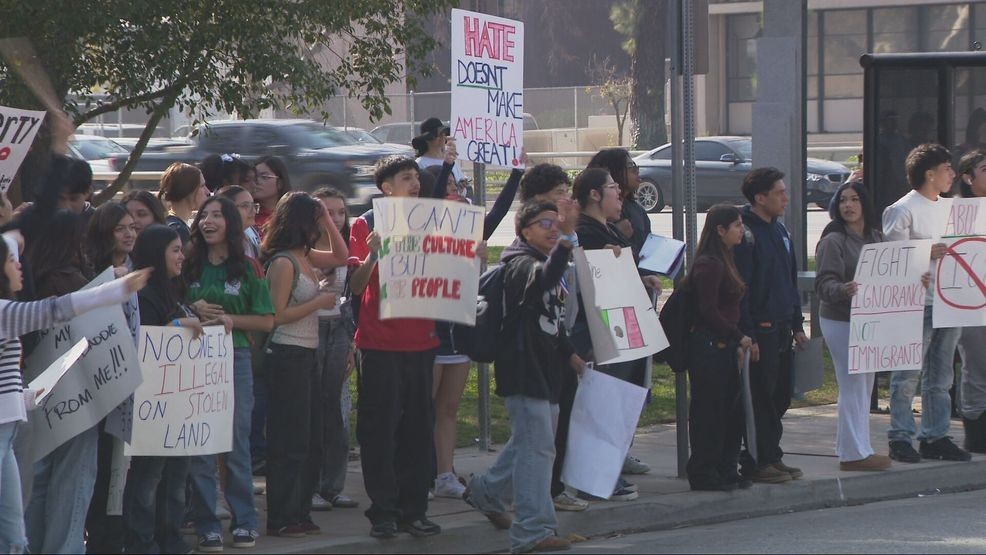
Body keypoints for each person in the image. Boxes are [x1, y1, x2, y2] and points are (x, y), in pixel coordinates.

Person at [0, 235, 150, 554]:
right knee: (11, 529)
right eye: (11, 261)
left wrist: (25, 398)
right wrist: (114, 290)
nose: (19, 267)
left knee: (13, 531)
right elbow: (55, 309)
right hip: (4, 434)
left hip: (9, 431)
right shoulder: (4, 312)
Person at [464, 199, 584, 554]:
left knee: (529, 442)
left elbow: (552, 318)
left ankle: (487, 490)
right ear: (524, 231)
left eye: (556, 223)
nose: (553, 229)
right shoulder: (521, 265)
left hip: (545, 369)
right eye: (545, 223)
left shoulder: (541, 262)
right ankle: (532, 531)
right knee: (538, 449)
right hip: (522, 368)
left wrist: (570, 354)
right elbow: (545, 279)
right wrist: (567, 239)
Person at [348, 155, 440, 539]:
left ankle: (413, 509)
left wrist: (474, 261)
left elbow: (452, 277)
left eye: (416, 177)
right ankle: (383, 511)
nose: (415, 184)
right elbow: (355, 287)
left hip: (422, 343)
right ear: (386, 188)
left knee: (418, 430)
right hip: (379, 344)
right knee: (379, 431)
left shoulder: (436, 222)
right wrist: (374, 254)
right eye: (406, 178)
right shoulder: (366, 225)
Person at [123, 224, 225, 554]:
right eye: (175, 250)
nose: (182, 256)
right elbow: (147, 341)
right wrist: (180, 324)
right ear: (157, 254)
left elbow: (185, 334)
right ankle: (141, 542)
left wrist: (213, 326)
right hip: (154, 408)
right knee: (148, 479)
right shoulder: (142, 296)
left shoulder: (173, 290)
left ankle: (170, 538)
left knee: (176, 479)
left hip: (179, 409)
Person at [183, 196, 275, 552]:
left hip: (235, 358)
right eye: (203, 215)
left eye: (217, 215)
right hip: (194, 359)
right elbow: (169, 304)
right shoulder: (188, 265)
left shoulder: (249, 267)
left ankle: (245, 522)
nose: (208, 221)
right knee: (201, 445)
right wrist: (191, 307)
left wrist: (230, 320)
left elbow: (266, 320)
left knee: (236, 443)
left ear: (231, 224)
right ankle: (207, 524)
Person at [431, 146, 522, 499]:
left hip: (458, 330)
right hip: (430, 331)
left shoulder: (471, 230)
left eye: (458, 186)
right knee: (423, 408)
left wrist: (516, 173)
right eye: (448, 187)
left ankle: (444, 474)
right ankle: (420, 472)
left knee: (448, 408)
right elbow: (433, 201)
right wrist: (446, 167)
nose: (455, 192)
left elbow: (498, 212)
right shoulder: (423, 229)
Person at [261, 192, 344, 538]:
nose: (318, 228)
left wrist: (326, 217)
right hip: (287, 354)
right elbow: (276, 315)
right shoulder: (284, 262)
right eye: (314, 222)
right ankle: (281, 515)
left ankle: (300, 510)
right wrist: (318, 303)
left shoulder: (306, 255)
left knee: (312, 439)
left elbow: (341, 256)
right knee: (290, 440)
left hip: (308, 355)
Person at [882, 144, 969, 463]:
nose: (952, 174)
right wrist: (924, 252)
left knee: (942, 376)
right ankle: (900, 436)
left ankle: (935, 435)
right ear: (929, 174)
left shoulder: (952, 208)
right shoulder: (902, 209)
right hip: (916, 303)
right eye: (947, 169)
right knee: (907, 374)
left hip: (949, 302)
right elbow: (890, 258)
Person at [20, 211, 97, 554]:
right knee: (74, 477)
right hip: (74, 391)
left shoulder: (25, 279)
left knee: (37, 476)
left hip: (30, 391)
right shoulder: (72, 282)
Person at [734, 167, 809, 484]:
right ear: (760, 198)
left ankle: (771, 454)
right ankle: (755, 460)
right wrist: (749, 333)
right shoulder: (746, 235)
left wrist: (797, 324)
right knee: (760, 398)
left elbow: (789, 279)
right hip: (760, 329)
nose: (785, 198)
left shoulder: (780, 231)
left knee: (780, 396)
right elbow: (742, 289)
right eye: (779, 193)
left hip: (782, 327)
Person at [815, 182, 893, 472]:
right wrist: (843, 289)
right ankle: (852, 454)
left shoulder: (876, 237)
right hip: (840, 320)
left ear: (865, 204)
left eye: (854, 199)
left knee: (865, 385)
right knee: (851, 384)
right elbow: (824, 284)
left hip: (869, 320)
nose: (848, 205)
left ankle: (861, 448)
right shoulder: (833, 240)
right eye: (843, 200)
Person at [684, 204, 754, 490]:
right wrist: (738, 335)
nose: (741, 230)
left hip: (725, 346)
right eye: (736, 225)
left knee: (731, 411)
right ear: (720, 230)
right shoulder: (709, 264)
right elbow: (709, 310)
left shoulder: (727, 258)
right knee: (709, 412)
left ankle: (726, 467)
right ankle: (704, 471)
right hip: (709, 347)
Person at [309, 188, 359, 512]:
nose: (336, 218)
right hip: (310, 330)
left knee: (338, 414)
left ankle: (333, 486)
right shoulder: (303, 248)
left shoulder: (346, 247)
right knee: (312, 411)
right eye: (328, 212)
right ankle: (311, 486)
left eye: (340, 212)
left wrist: (351, 342)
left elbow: (349, 299)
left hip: (339, 329)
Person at [956, 150, 986, 452]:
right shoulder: (955, 212)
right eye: (985, 169)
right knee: (976, 363)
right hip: (968, 302)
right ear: (967, 177)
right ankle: (977, 431)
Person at [158, 162, 210, 248]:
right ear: (188, 191)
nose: (207, 191)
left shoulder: (175, 224)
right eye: (202, 186)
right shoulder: (179, 231)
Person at [413, 117, 466, 188]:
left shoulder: (451, 160)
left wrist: (462, 186)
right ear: (427, 139)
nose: (442, 137)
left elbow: (461, 182)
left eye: (443, 133)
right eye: (438, 134)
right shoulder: (420, 164)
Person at [253, 156, 291, 239]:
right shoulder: (248, 213)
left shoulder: (290, 215)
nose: (257, 181)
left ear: (280, 183)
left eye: (264, 177)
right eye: (254, 177)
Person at [219, 186, 261, 259]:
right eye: (245, 206)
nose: (254, 211)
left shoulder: (250, 237)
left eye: (253, 205)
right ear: (227, 209)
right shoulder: (218, 243)